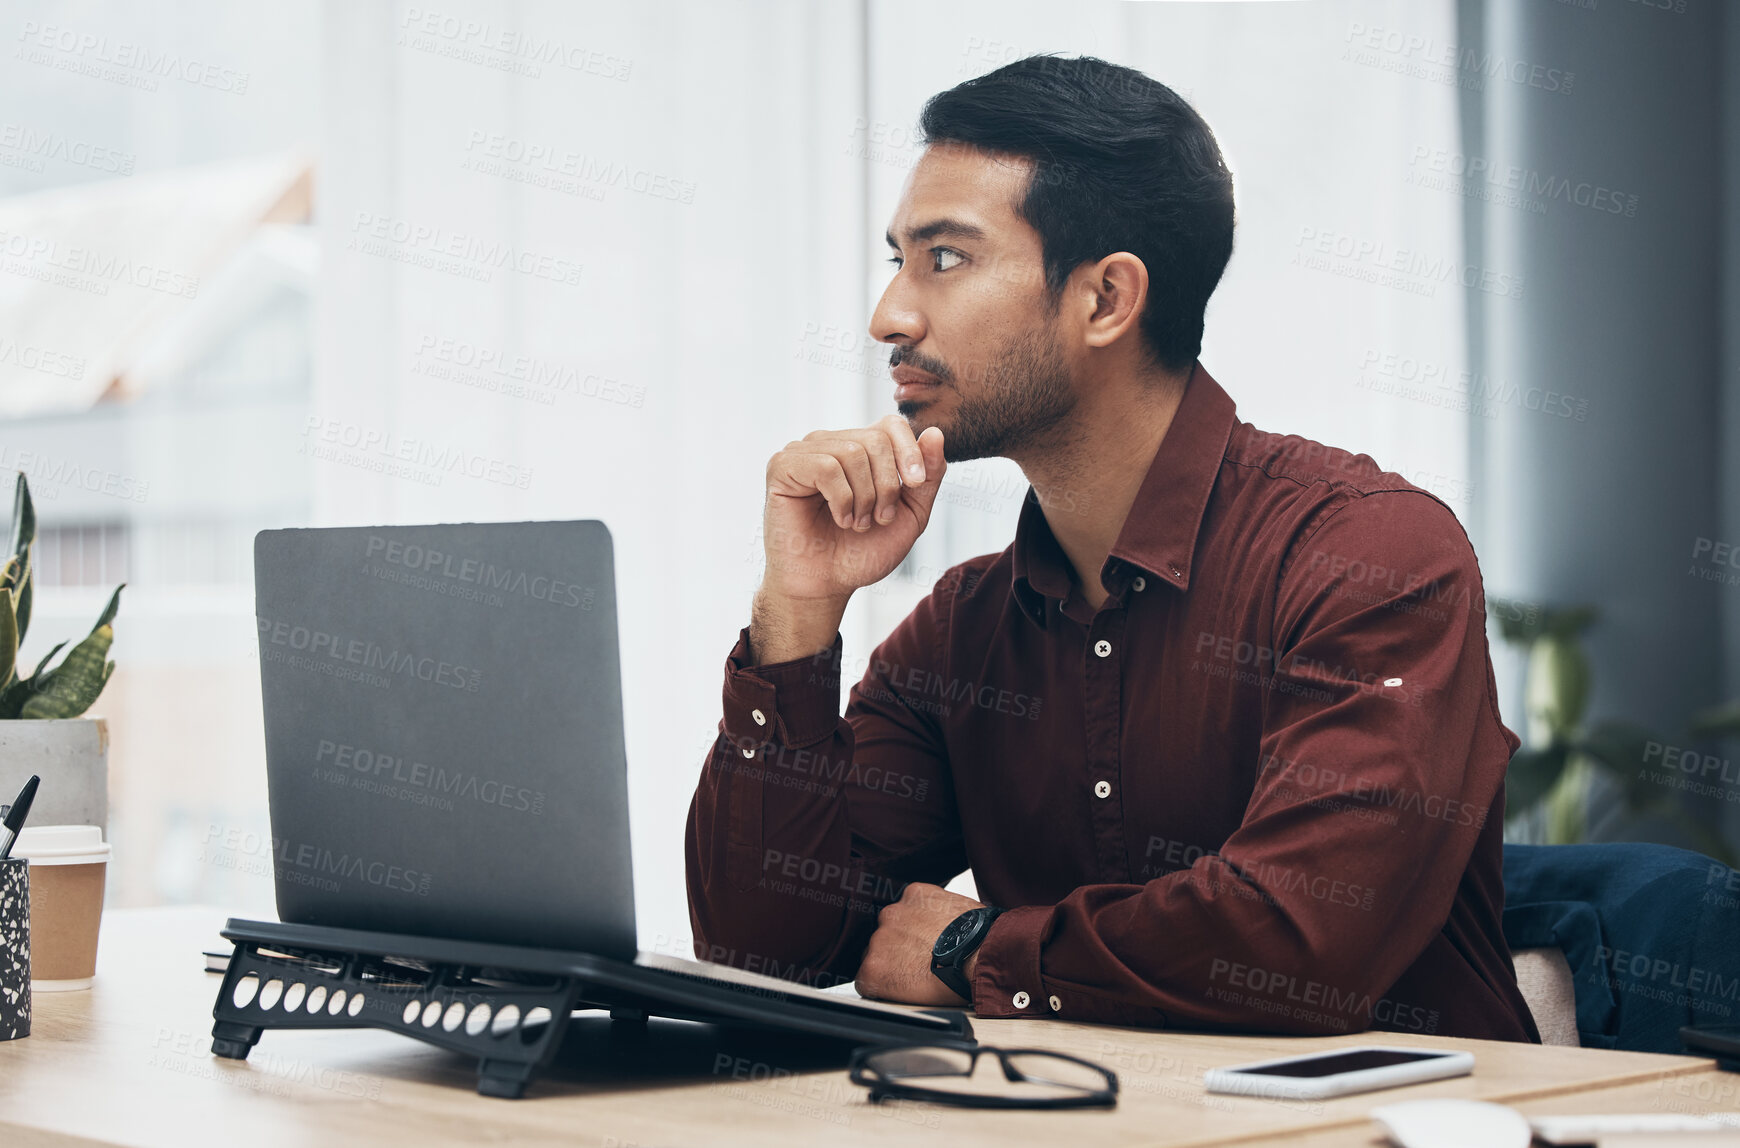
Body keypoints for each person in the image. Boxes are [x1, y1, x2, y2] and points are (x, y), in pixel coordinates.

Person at [685, 54, 1538, 1041]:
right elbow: (765, 942)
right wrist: (794, 615)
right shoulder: (962, 632)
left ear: (1105, 299)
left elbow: (1299, 941)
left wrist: (976, 950)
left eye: (945, 259)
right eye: (898, 261)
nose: (891, 316)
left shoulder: (1371, 557)